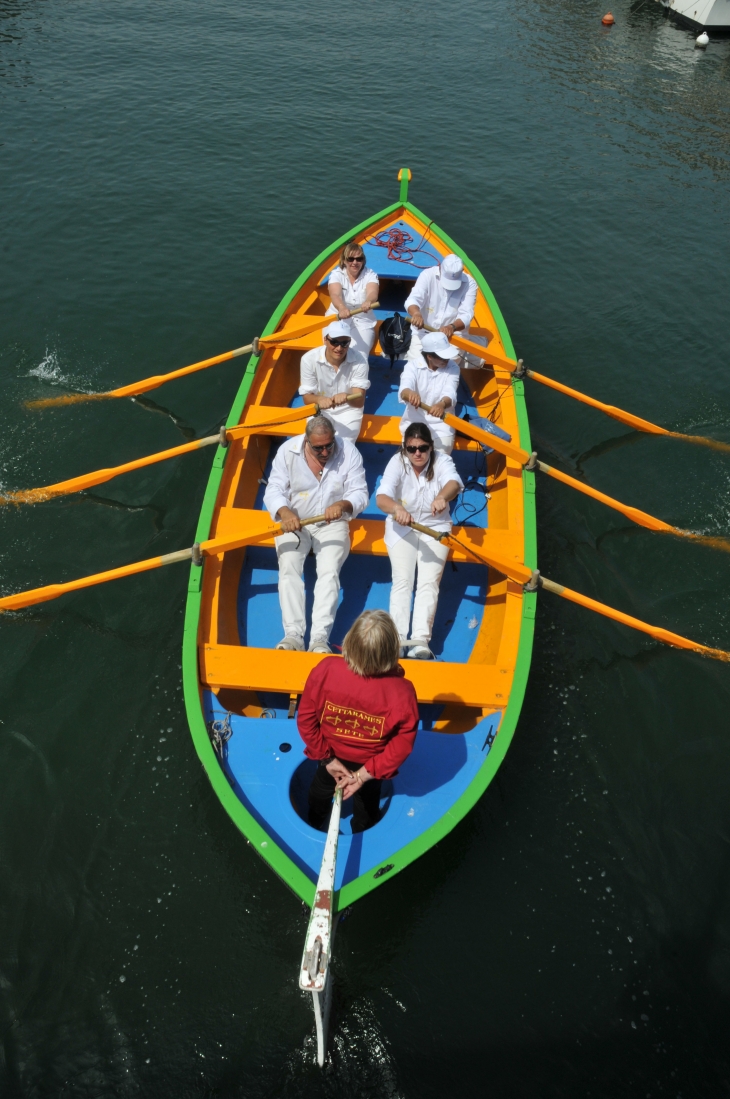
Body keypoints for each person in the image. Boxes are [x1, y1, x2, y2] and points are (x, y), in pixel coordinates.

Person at [297, 610, 419, 833]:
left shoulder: (325, 670)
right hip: (370, 766)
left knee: (319, 792)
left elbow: (306, 720)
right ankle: (362, 830)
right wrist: (363, 775)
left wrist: (328, 759)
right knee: (367, 806)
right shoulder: (403, 692)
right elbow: (401, 746)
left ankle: (314, 820)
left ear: (350, 642)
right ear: (392, 650)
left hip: (330, 758)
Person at [263, 413, 369, 654]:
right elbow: (274, 489)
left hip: (333, 523)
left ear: (334, 438)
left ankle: (319, 638)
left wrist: (343, 505)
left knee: (329, 572)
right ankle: (293, 635)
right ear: (306, 442)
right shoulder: (287, 451)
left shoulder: (349, 452)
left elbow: (360, 493)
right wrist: (284, 511)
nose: (325, 452)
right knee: (289, 567)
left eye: (329, 445)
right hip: (295, 522)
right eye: (318, 448)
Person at [376, 423, 463, 660]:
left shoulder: (442, 460)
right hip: (402, 528)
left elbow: (453, 483)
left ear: (431, 447)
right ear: (404, 448)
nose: (417, 453)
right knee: (402, 582)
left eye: (423, 448)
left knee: (428, 583)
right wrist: (396, 509)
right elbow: (382, 497)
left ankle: (420, 641)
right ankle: (397, 640)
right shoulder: (397, 462)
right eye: (411, 448)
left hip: (434, 528)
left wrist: (442, 498)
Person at [299, 320, 370, 443]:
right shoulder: (308, 359)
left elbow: (359, 402)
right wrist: (320, 400)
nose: (339, 348)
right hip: (319, 408)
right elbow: (307, 398)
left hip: (349, 409)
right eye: (334, 342)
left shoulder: (361, 360)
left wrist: (347, 397)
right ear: (325, 340)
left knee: (344, 446)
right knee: (316, 443)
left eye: (345, 343)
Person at [404, 253, 480, 360]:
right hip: (424, 333)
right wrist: (416, 313)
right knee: (416, 364)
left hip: (453, 336)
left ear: (462, 271)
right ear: (440, 268)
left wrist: (451, 327)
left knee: (448, 366)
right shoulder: (427, 275)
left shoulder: (470, 284)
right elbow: (413, 299)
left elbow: (467, 314)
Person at [398, 330, 461, 453]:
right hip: (415, 419)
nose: (447, 359)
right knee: (414, 454)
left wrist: (441, 404)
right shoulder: (412, 366)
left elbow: (450, 391)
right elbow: (404, 389)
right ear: (429, 356)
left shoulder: (454, 368)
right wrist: (410, 393)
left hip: (441, 423)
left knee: (443, 453)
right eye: (442, 357)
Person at [326, 240, 379, 356]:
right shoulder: (336, 274)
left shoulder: (370, 274)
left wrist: (368, 301)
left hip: (363, 320)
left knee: (360, 355)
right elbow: (335, 295)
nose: (355, 262)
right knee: (334, 352)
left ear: (363, 260)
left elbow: (373, 292)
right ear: (344, 260)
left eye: (359, 259)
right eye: (351, 259)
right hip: (338, 317)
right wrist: (341, 307)